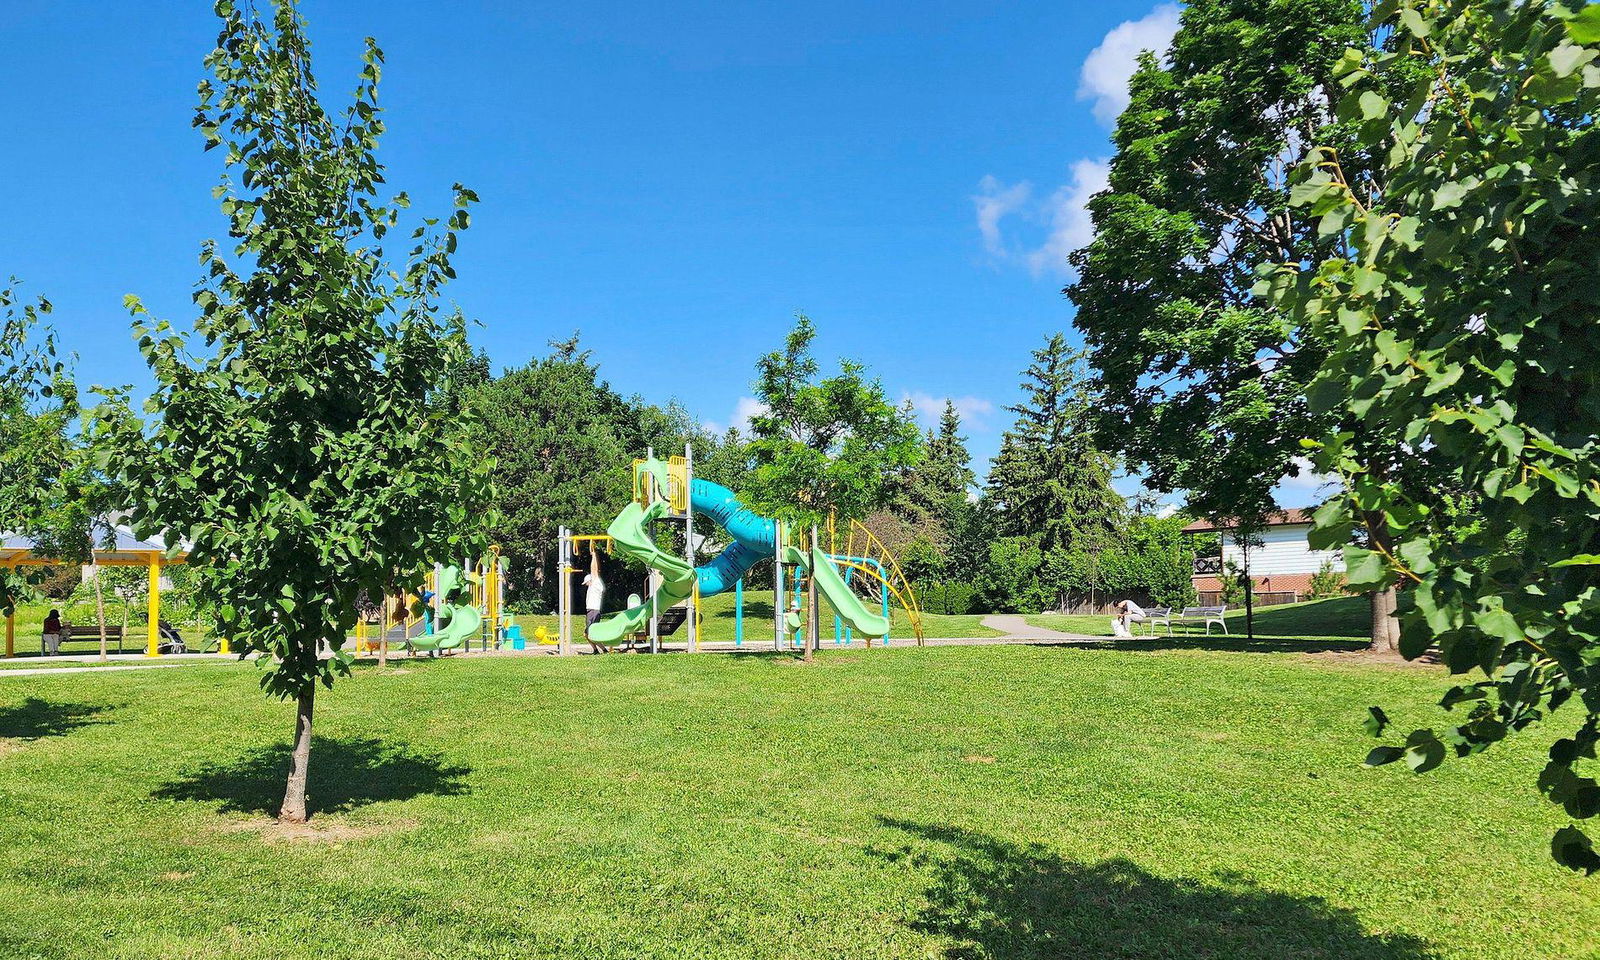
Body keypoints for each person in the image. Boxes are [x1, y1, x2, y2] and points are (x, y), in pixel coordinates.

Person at [582, 548, 606, 654]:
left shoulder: (595, 584)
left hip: (593, 611)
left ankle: (601, 650)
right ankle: (598, 650)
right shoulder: (592, 586)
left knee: (589, 634)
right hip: (591, 611)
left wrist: (593, 556)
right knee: (588, 634)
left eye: (586, 583)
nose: (586, 585)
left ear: (590, 580)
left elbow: (594, 570)